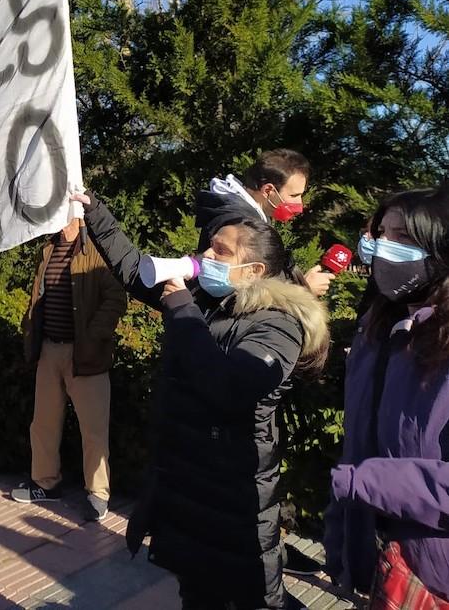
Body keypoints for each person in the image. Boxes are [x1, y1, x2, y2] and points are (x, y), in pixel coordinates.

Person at [77, 191, 328, 610]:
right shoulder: (210, 301)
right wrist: (94, 210)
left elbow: (228, 388)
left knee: (248, 598)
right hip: (192, 491)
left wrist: (180, 307)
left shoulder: (277, 325)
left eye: (221, 250)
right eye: (210, 243)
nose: (206, 252)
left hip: (234, 504)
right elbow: (132, 268)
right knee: (196, 592)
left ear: (255, 270)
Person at [325, 188, 449, 602]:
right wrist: (341, 536)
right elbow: (357, 442)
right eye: (382, 234)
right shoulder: (377, 326)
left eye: (404, 238)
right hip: (385, 562)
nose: (385, 248)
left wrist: (366, 482)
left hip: (436, 577)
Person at [12, 217, 127, 521]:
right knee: (43, 423)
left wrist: (92, 335)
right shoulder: (48, 248)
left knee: (93, 430)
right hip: (49, 349)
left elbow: (116, 298)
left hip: (86, 356)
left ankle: (98, 493)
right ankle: (45, 482)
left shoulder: (96, 250)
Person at [196, 149, 334, 298]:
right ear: (268, 190)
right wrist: (304, 290)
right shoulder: (240, 225)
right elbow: (247, 287)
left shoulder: (236, 212)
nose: (300, 205)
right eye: (294, 195)